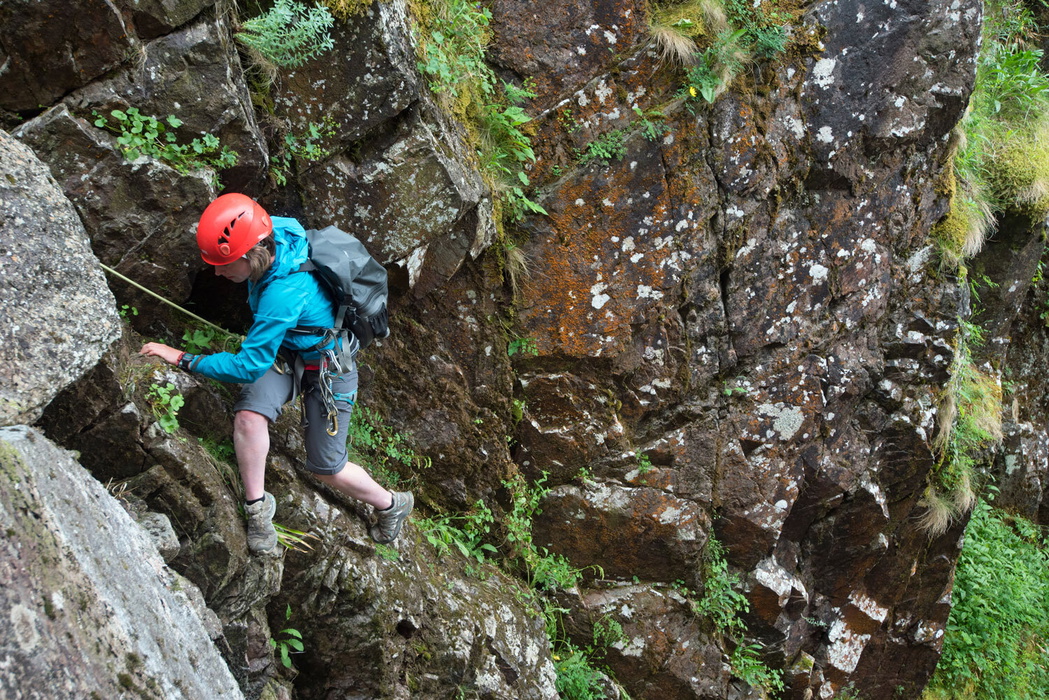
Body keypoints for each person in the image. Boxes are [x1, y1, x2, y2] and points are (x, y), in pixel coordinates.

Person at [140, 193, 413, 553]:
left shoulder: (283, 292)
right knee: (249, 417)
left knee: (326, 466)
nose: (218, 272)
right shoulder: (273, 230)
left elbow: (248, 365)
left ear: (253, 255)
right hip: (287, 349)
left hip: (329, 367)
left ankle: (392, 505)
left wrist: (184, 359)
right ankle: (257, 510)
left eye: (224, 264)